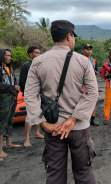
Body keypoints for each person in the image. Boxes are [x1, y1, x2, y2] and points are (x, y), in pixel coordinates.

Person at [24, 20, 98, 184]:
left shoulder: (38, 62)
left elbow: (30, 95)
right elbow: (92, 93)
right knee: (84, 173)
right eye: (73, 37)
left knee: (55, 175)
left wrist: (43, 124)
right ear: (69, 36)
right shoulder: (83, 61)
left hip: (53, 128)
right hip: (79, 128)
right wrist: (73, 119)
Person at [0, 48, 21, 158]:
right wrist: (12, 87)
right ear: (1, 56)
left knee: (10, 119)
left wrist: (16, 88)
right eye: (7, 56)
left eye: (10, 56)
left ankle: (9, 143)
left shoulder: (9, 67)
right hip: (4, 98)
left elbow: (14, 80)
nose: (9, 58)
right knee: (2, 121)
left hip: (13, 96)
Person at [19, 46, 44, 147]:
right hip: (31, 95)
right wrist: (28, 94)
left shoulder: (40, 65)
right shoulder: (26, 66)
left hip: (41, 94)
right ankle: (27, 139)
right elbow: (22, 81)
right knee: (29, 116)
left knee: (40, 114)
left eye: (39, 53)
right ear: (30, 54)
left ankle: (37, 133)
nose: (39, 54)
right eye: (36, 53)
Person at [82, 44, 99, 126]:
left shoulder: (94, 61)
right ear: (83, 50)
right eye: (87, 49)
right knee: (82, 100)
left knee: (93, 100)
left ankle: (93, 118)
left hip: (91, 83)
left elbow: (96, 72)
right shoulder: (79, 59)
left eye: (90, 50)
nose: (89, 51)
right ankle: (84, 119)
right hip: (82, 83)